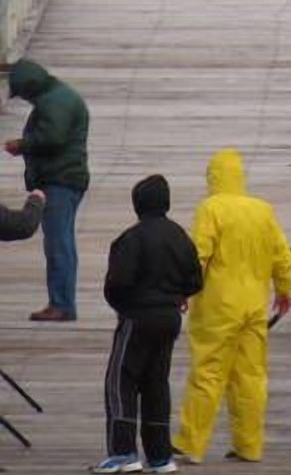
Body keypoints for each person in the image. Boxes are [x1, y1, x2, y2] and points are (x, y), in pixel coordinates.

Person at [173, 148, 291, 464]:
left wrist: (183, 290)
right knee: (250, 377)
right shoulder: (262, 210)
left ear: (212, 177)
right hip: (254, 305)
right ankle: (249, 445)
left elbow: (198, 254)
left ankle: (190, 444)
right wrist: (285, 290)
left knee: (208, 372)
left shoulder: (211, 208)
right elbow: (282, 255)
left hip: (218, 305)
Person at [93, 175, 202, 475]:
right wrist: (177, 296)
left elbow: (117, 283)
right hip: (170, 318)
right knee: (156, 383)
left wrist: (124, 308)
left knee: (121, 380)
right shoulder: (180, 236)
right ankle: (160, 457)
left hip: (137, 318)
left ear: (137, 204)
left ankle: (123, 452)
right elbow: (196, 280)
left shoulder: (132, 238)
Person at [4, 58, 90, 322]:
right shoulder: (57, 96)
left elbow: (53, 137)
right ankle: (63, 301)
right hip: (67, 177)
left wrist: (23, 144)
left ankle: (61, 304)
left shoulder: (54, 101)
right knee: (62, 241)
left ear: (29, 86)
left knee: (57, 243)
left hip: (60, 180)